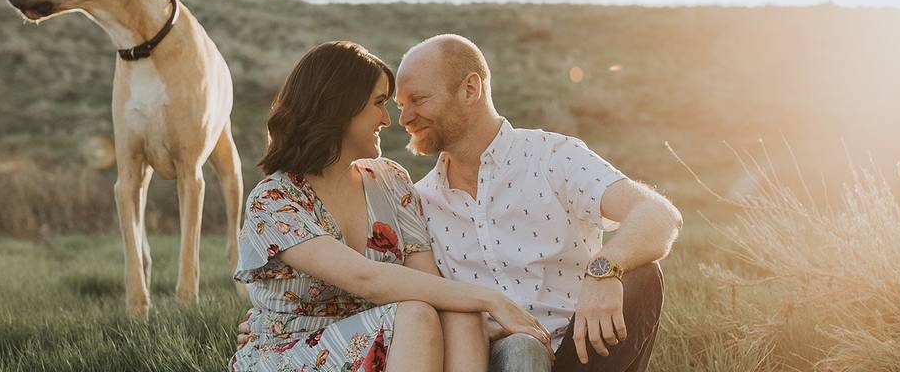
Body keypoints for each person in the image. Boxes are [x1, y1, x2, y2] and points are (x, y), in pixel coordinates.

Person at [229, 41, 551, 372]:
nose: (387, 119)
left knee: (456, 309)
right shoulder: (275, 200)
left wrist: (475, 310)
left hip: (385, 342)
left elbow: (430, 282)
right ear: (340, 107)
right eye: (379, 103)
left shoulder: (392, 181)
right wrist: (491, 299)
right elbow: (366, 278)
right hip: (292, 351)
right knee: (418, 312)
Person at [395, 34, 683, 372]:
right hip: (493, 360)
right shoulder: (418, 202)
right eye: (400, 105)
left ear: (470, 90)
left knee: (643, 276)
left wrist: (604, 269)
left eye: (418, 99)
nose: (405, 118)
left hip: (585, 353)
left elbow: (659, 215)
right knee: (521, 349)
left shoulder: (552, 156)